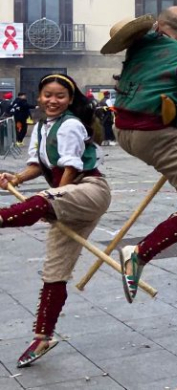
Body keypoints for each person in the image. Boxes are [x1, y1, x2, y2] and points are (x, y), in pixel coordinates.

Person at [100, 7, 177, 303]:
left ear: (158, 25)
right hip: (153, 135)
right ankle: (139, 253)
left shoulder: (138, 48)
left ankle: (138, 254)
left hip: (123, 132)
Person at [0, 74, 110, 368]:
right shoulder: (41, 129)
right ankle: (43, 337)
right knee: (54, 270)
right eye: (47, 95)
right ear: (39, 97)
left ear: (70, 100)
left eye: (60, 96)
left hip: (89, 190)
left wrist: (55, 195)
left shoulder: (71, 124)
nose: (53, 100)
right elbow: (37, 164)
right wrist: (17, 178)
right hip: (66, 195)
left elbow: (71, 167)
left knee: (42, 201)